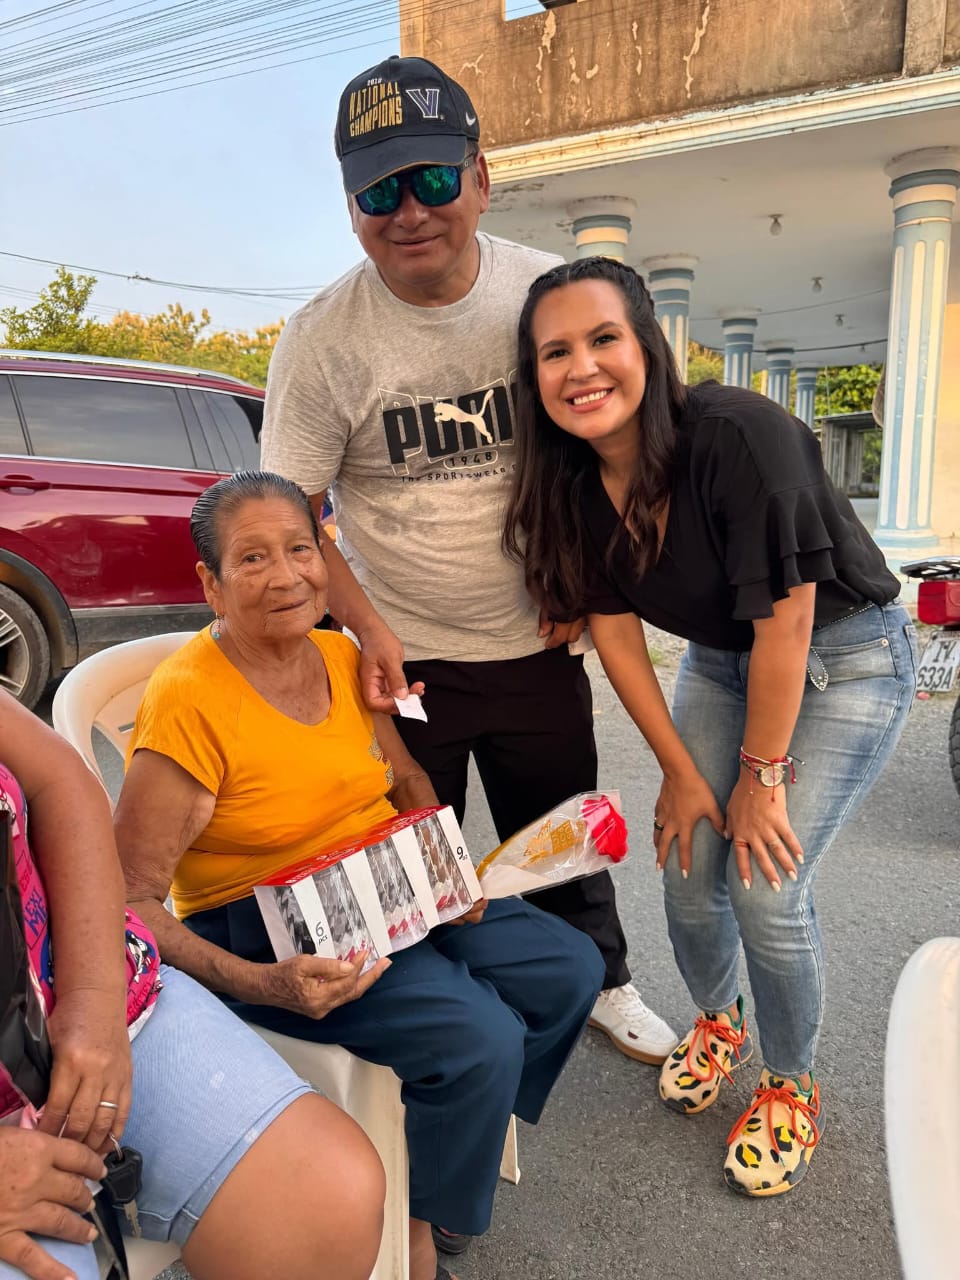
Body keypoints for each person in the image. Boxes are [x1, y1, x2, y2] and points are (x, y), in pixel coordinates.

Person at [259, 54, 678, 1096]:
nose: (411, 211)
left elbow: (614, 448)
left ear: (481, 178)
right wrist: (364, 629)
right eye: (379, 192)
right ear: (352, 208)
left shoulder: (547, 298)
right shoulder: (320, 340)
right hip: (403, 662)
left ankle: (605, 980)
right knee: (416, 861)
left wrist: (590, 576)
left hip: (536, 643)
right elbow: (291, 512)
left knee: (563, 834)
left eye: (434, 179)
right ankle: (444, 1026)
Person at [112, 470, 604, 1280]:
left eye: (300, 549)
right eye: (252, 559)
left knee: (569, 968)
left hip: (387, 877)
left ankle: (451, 1147)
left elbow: (405, 777)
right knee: (479, 1037)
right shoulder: (187, 702)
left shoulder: (341, 654)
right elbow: (128, 900)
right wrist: (261, 983)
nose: (286, 576)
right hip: (263, 922)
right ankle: (419, 1225)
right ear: (211, 584)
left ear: (325, 555)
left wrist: (447, 870)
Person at [503, 255, 917, 1197]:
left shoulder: (741, 436)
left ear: (648, 344)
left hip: (843, 657)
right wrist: (683, 775)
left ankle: (791, 1083)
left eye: (603, 338)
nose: (581, 368)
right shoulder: (570, 478)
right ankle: (718, 1021)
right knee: (690, 860)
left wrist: (759, 778)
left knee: (765, 885)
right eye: (555, 352)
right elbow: (613, 630)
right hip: (724, 661)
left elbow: (789, 623)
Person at [0, 689, 385, 1280]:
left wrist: (95, 1003)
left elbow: (60, 780)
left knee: (326, 1199)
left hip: (81, 986)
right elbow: (144, 884)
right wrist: (256, 980)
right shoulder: (189, 695)